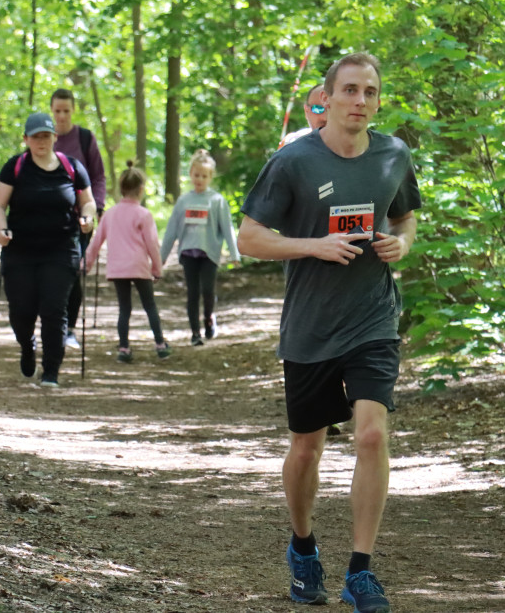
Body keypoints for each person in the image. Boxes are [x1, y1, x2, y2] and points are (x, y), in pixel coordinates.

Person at [237, 52, 421, 613]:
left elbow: (405, 217)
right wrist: (311, 246)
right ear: (329, 97)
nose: (359, 101)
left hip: (372, 318)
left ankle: (360, 572)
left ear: (378, 99)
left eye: (369, 91)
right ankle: (302, 545)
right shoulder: (294, 162)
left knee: (371, 435)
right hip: (311, 326)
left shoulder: (393, 155)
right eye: (349, 90)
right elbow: (248, 238)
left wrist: (401, 245)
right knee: (306, 448)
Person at [0, 112, 95, 387]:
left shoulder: (71, 167)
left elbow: (88, 202)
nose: (41, 141)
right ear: (26, 139)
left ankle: (51, 373)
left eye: (46, 136)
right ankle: (27, 346)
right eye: (35, 136)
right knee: (21, 311)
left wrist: (87, 218)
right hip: (20, 250)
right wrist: (2, 230)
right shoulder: (15, 167)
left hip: (61, 250)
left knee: (54, 310)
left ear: (54, 138)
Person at [84, 162, 171, 363]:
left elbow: (96, 243)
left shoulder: (110, 214)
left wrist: (86, 264)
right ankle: (160, 344)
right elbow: (152, 245)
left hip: (118, 269)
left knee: (124, 309)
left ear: (120, 189)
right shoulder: (143, 214)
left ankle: (124, 348)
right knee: (150, 305)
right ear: (141, 189)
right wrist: (157, 269)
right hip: (139, 267)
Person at [159, 149, 240, 345]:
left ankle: (209, 319)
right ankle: (195, 333)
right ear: (190, 175)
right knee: (192, 293)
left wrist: (234, 253)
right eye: (196, 175)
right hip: (188, 253)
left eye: (204, 176)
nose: (199, 179)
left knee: (207, 290)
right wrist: (159, 259)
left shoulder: (217, 201)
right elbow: (171, 231)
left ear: (210, 177)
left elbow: (227, 228)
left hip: (209, 253)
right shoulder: (184, 201)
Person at [51, 88, 107, 351]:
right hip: (48, 221)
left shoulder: (84, 139)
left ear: (73, 111)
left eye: (66, 111)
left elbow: (98, 176)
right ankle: (52, 325)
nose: (61, 116)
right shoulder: (44, 138)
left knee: (72, 272)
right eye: (57, 111)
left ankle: (68, 329)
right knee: (49, 273)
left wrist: (95, 208)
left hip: (80, 220)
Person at [278, 83, 327, 150]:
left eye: (331, 110)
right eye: (318, 109)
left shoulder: (346, 147)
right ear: (306, 111)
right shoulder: (290, 143)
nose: (325, 117)